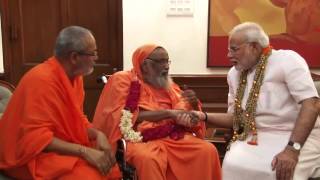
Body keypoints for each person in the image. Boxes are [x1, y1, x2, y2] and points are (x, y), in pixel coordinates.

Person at [195, 22, 320, 180]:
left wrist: (292, 150)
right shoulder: (234, 74)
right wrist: (203, 116)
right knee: (231, 165)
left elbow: (312, 104)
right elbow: (236, 118)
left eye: (234, 49)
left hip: (299, 138)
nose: (228, 55)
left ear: (253, 47)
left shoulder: (287, 60)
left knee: (277, 171)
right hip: (256, 136)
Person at [0, 26, 120, 179]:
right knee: (89, 176)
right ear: (74, 57)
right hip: (28, 156)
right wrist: (85, 151)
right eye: (93, 53)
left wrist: (98, 134)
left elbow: (76, 118)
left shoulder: (75, 78)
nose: (96, 58)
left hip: (55, 148)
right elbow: (36, 138)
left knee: (110, 168)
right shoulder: (41, 80)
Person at [93, 44, 222, 180]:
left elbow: (183, 112)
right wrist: (169, 113)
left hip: (172, 135)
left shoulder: (168, 85)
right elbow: (121, 117)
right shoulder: (123, 80)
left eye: (167, 61)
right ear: (145, 66)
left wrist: (193, 106)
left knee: (207, 150)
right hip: (138, 138)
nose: (166, 66)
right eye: (161, 62)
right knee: (149, 159)